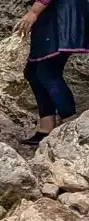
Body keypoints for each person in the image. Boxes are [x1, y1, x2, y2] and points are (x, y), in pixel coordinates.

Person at [17, 0, 89, 145]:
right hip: (51, 16)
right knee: (33, 72)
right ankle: (46, 128)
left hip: (59, 17)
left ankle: (70, 127)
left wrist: (34, 11)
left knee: (48, 72)